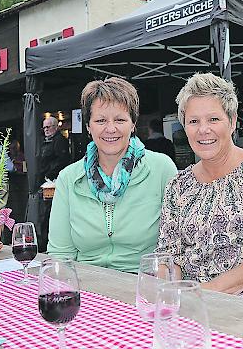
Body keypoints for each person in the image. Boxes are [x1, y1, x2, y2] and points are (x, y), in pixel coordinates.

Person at [156, 73, 243, 295]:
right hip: (190, 303)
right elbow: (168, 255)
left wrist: (207, 292)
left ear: (232, 121)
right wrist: (170, 294)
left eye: (213, 119)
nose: (203, 129)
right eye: (194, 121)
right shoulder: (177, 186)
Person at [47, 77, 177, 272]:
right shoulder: (69, 178)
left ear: (133, 124)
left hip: (144, 285)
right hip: (86, 287)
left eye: (120, 120)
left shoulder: (161, 168)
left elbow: (175, 248)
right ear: (89, 127)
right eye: (100, 120)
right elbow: (60, 255)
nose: (110, 129)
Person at [39, 116, 70, 183]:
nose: (45, 129)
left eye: (48, 127)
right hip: (45, 177)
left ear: (56, 127)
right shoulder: (44, 141)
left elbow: (61, 160)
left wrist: (49, 175)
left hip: (54, 179)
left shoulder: (60, 140)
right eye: (44, 127)